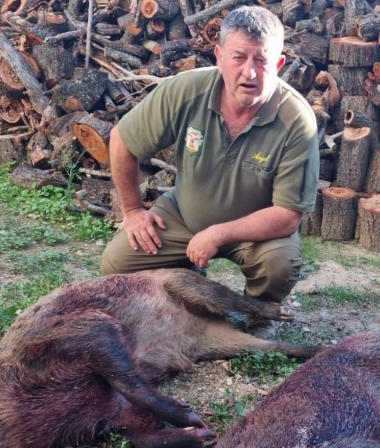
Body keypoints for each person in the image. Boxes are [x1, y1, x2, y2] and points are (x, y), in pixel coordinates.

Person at [99, 5, 320, 304]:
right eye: (239, 58)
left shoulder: (296, 121)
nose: (249, 72)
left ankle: (258, 312)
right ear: (219, 57)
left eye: (262, 60)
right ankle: (185, 279)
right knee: (116, 265)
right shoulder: (184, 91)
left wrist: (216, 234)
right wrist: (132, 211)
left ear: (279, 63)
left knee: (279, 265)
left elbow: (287, 217)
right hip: (183, 215)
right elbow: (122, 139)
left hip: (255, 232)